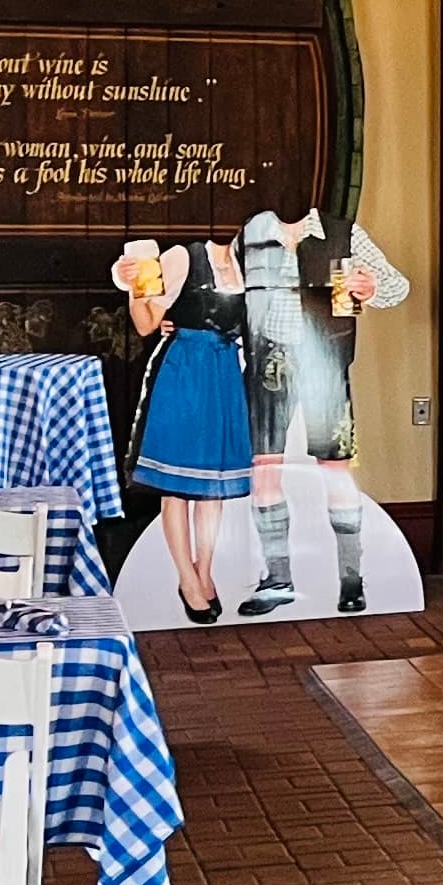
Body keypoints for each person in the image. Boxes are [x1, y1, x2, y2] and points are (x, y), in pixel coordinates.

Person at [231, 208, 409, 617]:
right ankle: (277, 579)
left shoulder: (343, 233)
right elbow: (225, 291)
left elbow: (398, 287)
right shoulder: (252, 232)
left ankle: (351, 578)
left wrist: (370, 285)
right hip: (267, 362)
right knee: (264, 467)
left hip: (326, 361)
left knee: (335, 467)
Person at [121, 238, 252, 622]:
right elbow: (146, 324)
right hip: (183, 371)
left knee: (212, 483)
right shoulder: (184, 256)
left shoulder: (253, 262)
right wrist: (133, 288)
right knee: (175, 484)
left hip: (225, 373)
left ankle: (205, 570)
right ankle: (187, 579)